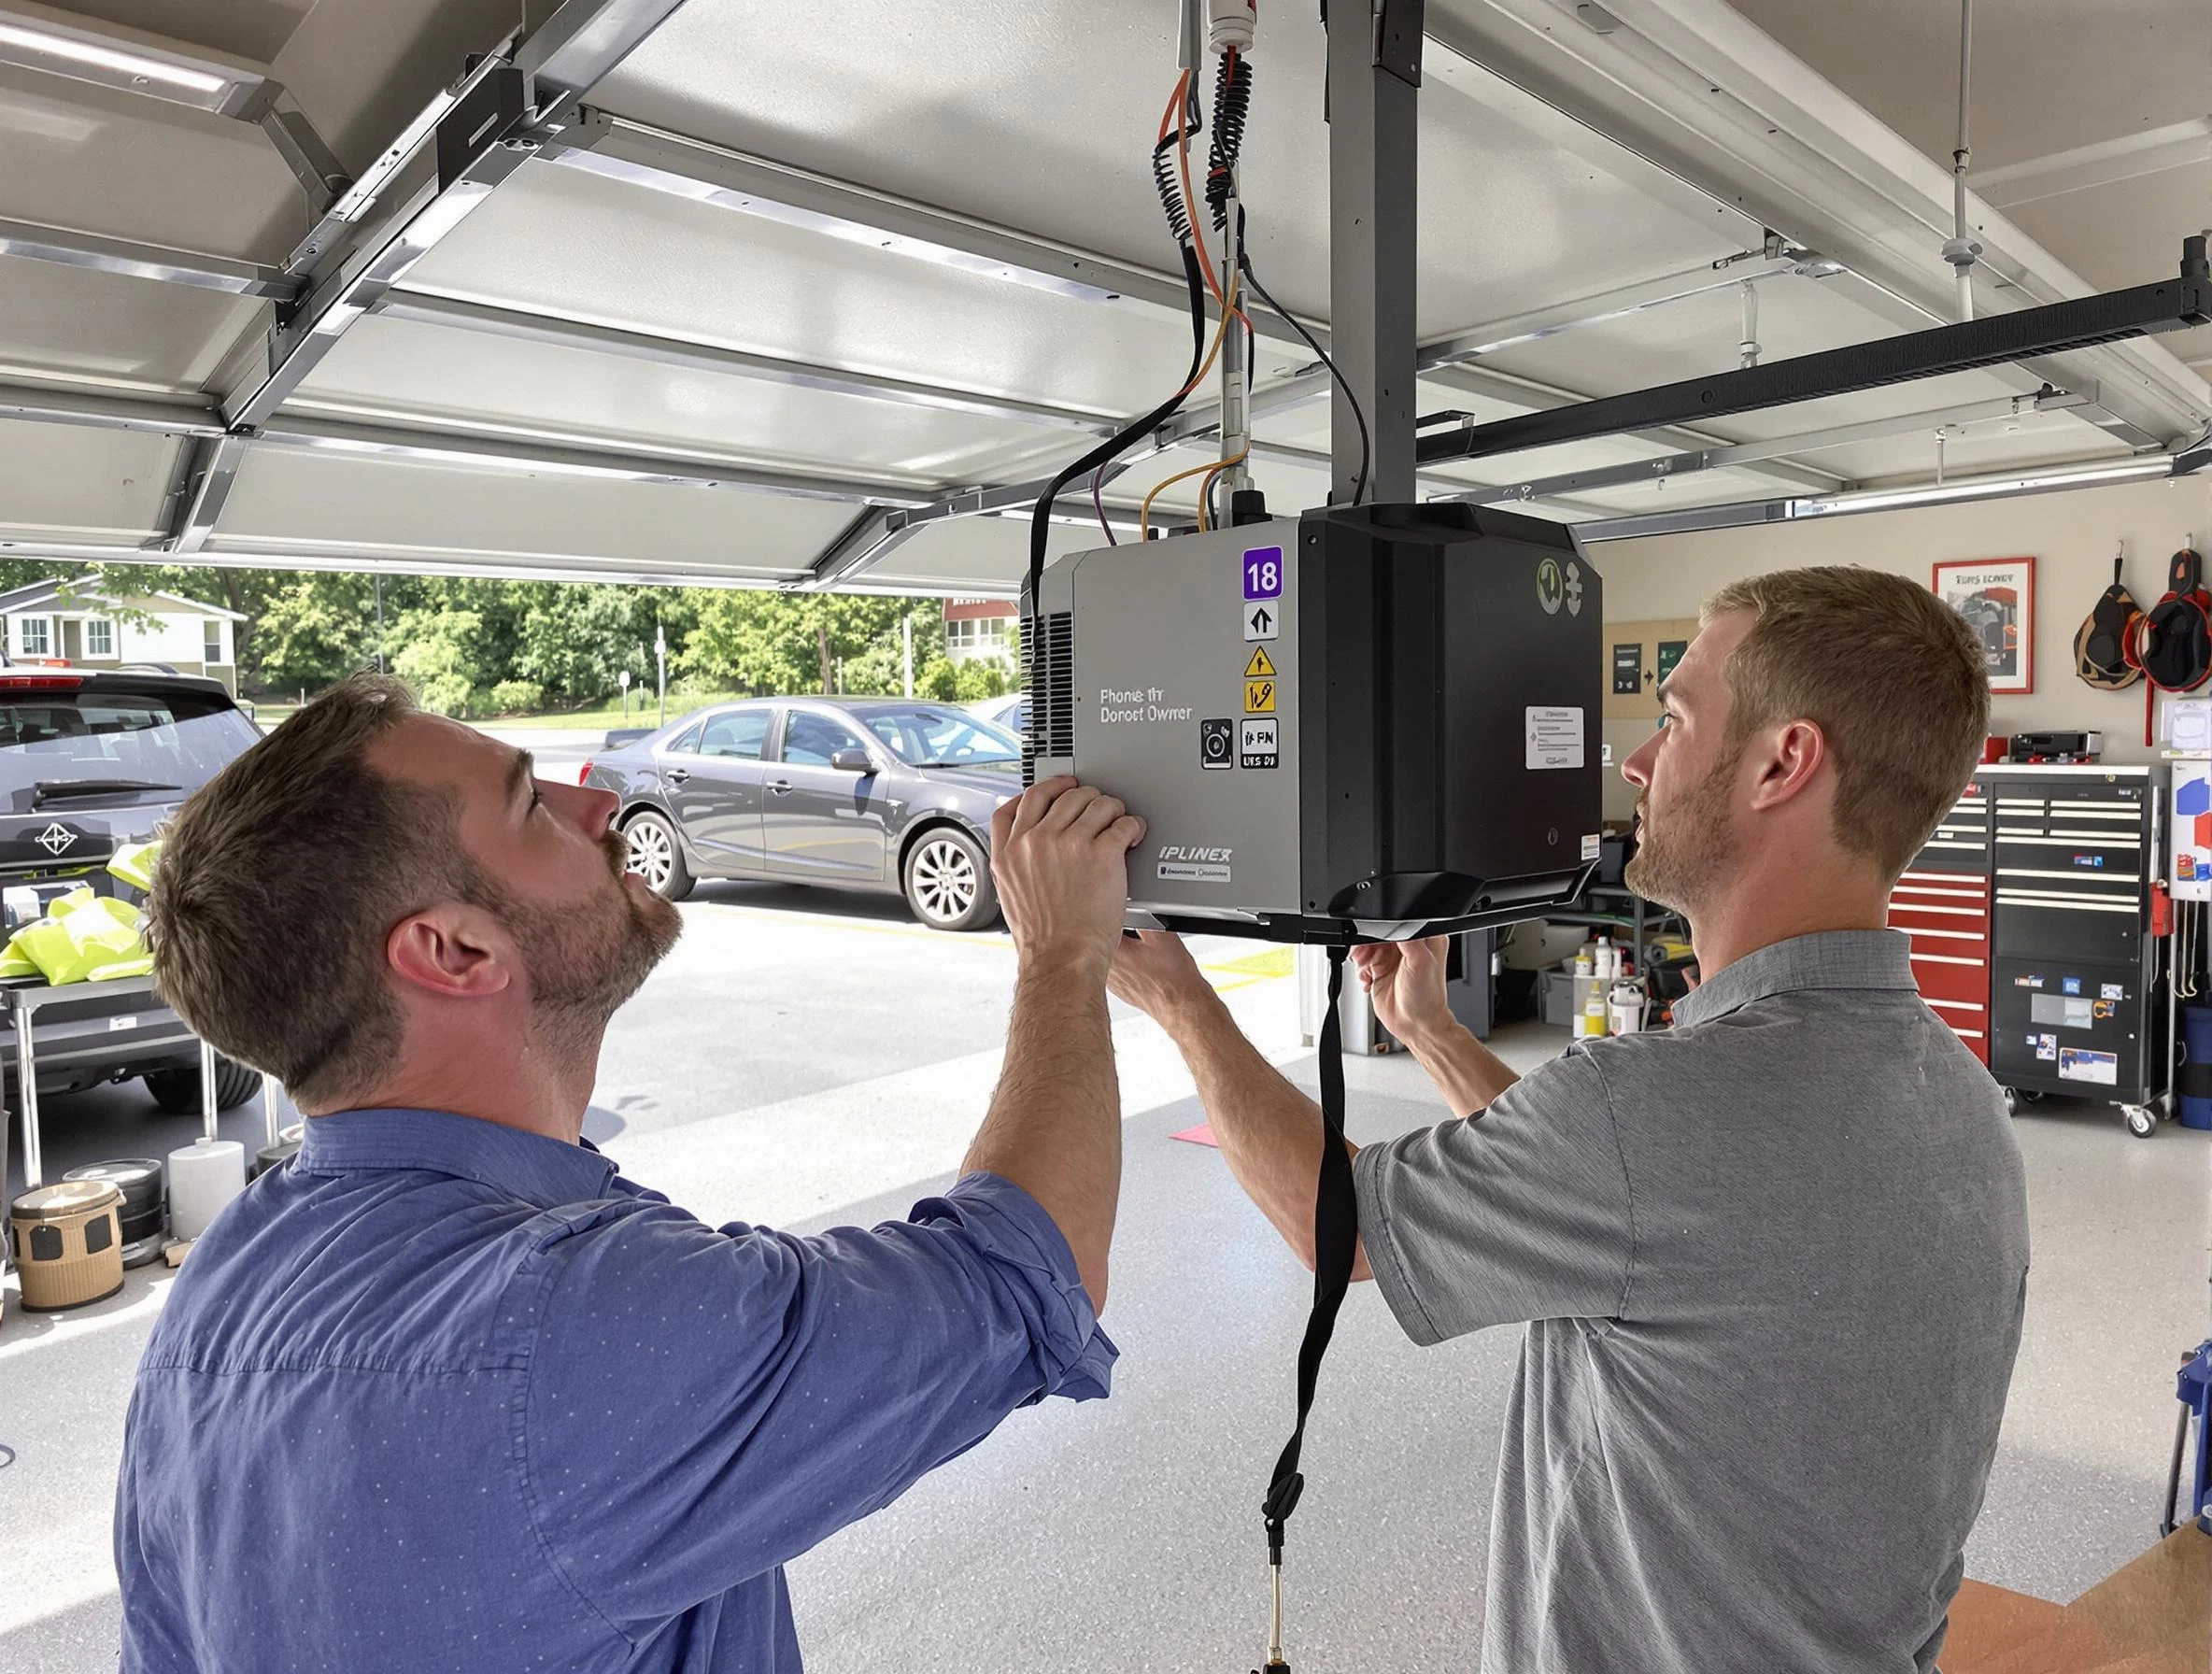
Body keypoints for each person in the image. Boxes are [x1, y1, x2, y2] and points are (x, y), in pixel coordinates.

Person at [116, 672, 1145, 1672]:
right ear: (456, 952)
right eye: (530, 804)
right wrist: (1062, 950)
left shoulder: (215, 1298)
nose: (599, 801)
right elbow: (1022, 1273)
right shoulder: (562, 1317)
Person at [1109, 566, 2029, 1673]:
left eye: (1675, 719)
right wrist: (1431, 1031)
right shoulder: (1960, 1099)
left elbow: (1339, 1227)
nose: (1637, 761)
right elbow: (1638, 1215)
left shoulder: (1652, 1110)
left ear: (1782, 762)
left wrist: (1180, 1000)